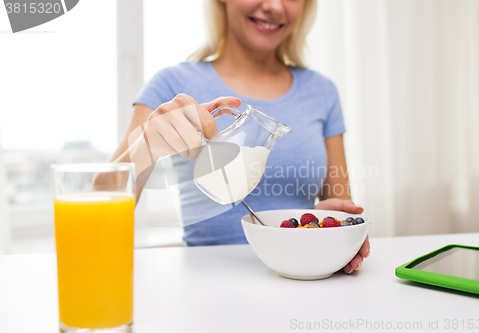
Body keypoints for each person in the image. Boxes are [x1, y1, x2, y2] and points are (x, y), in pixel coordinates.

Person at [111, 0, 370, 274]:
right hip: (207, 284)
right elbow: (95, 204)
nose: (274, 6)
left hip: (299, 277)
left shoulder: (322, 91)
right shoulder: (171, 83)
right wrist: (146, 145)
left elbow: (341, 203)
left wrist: (331, 224)